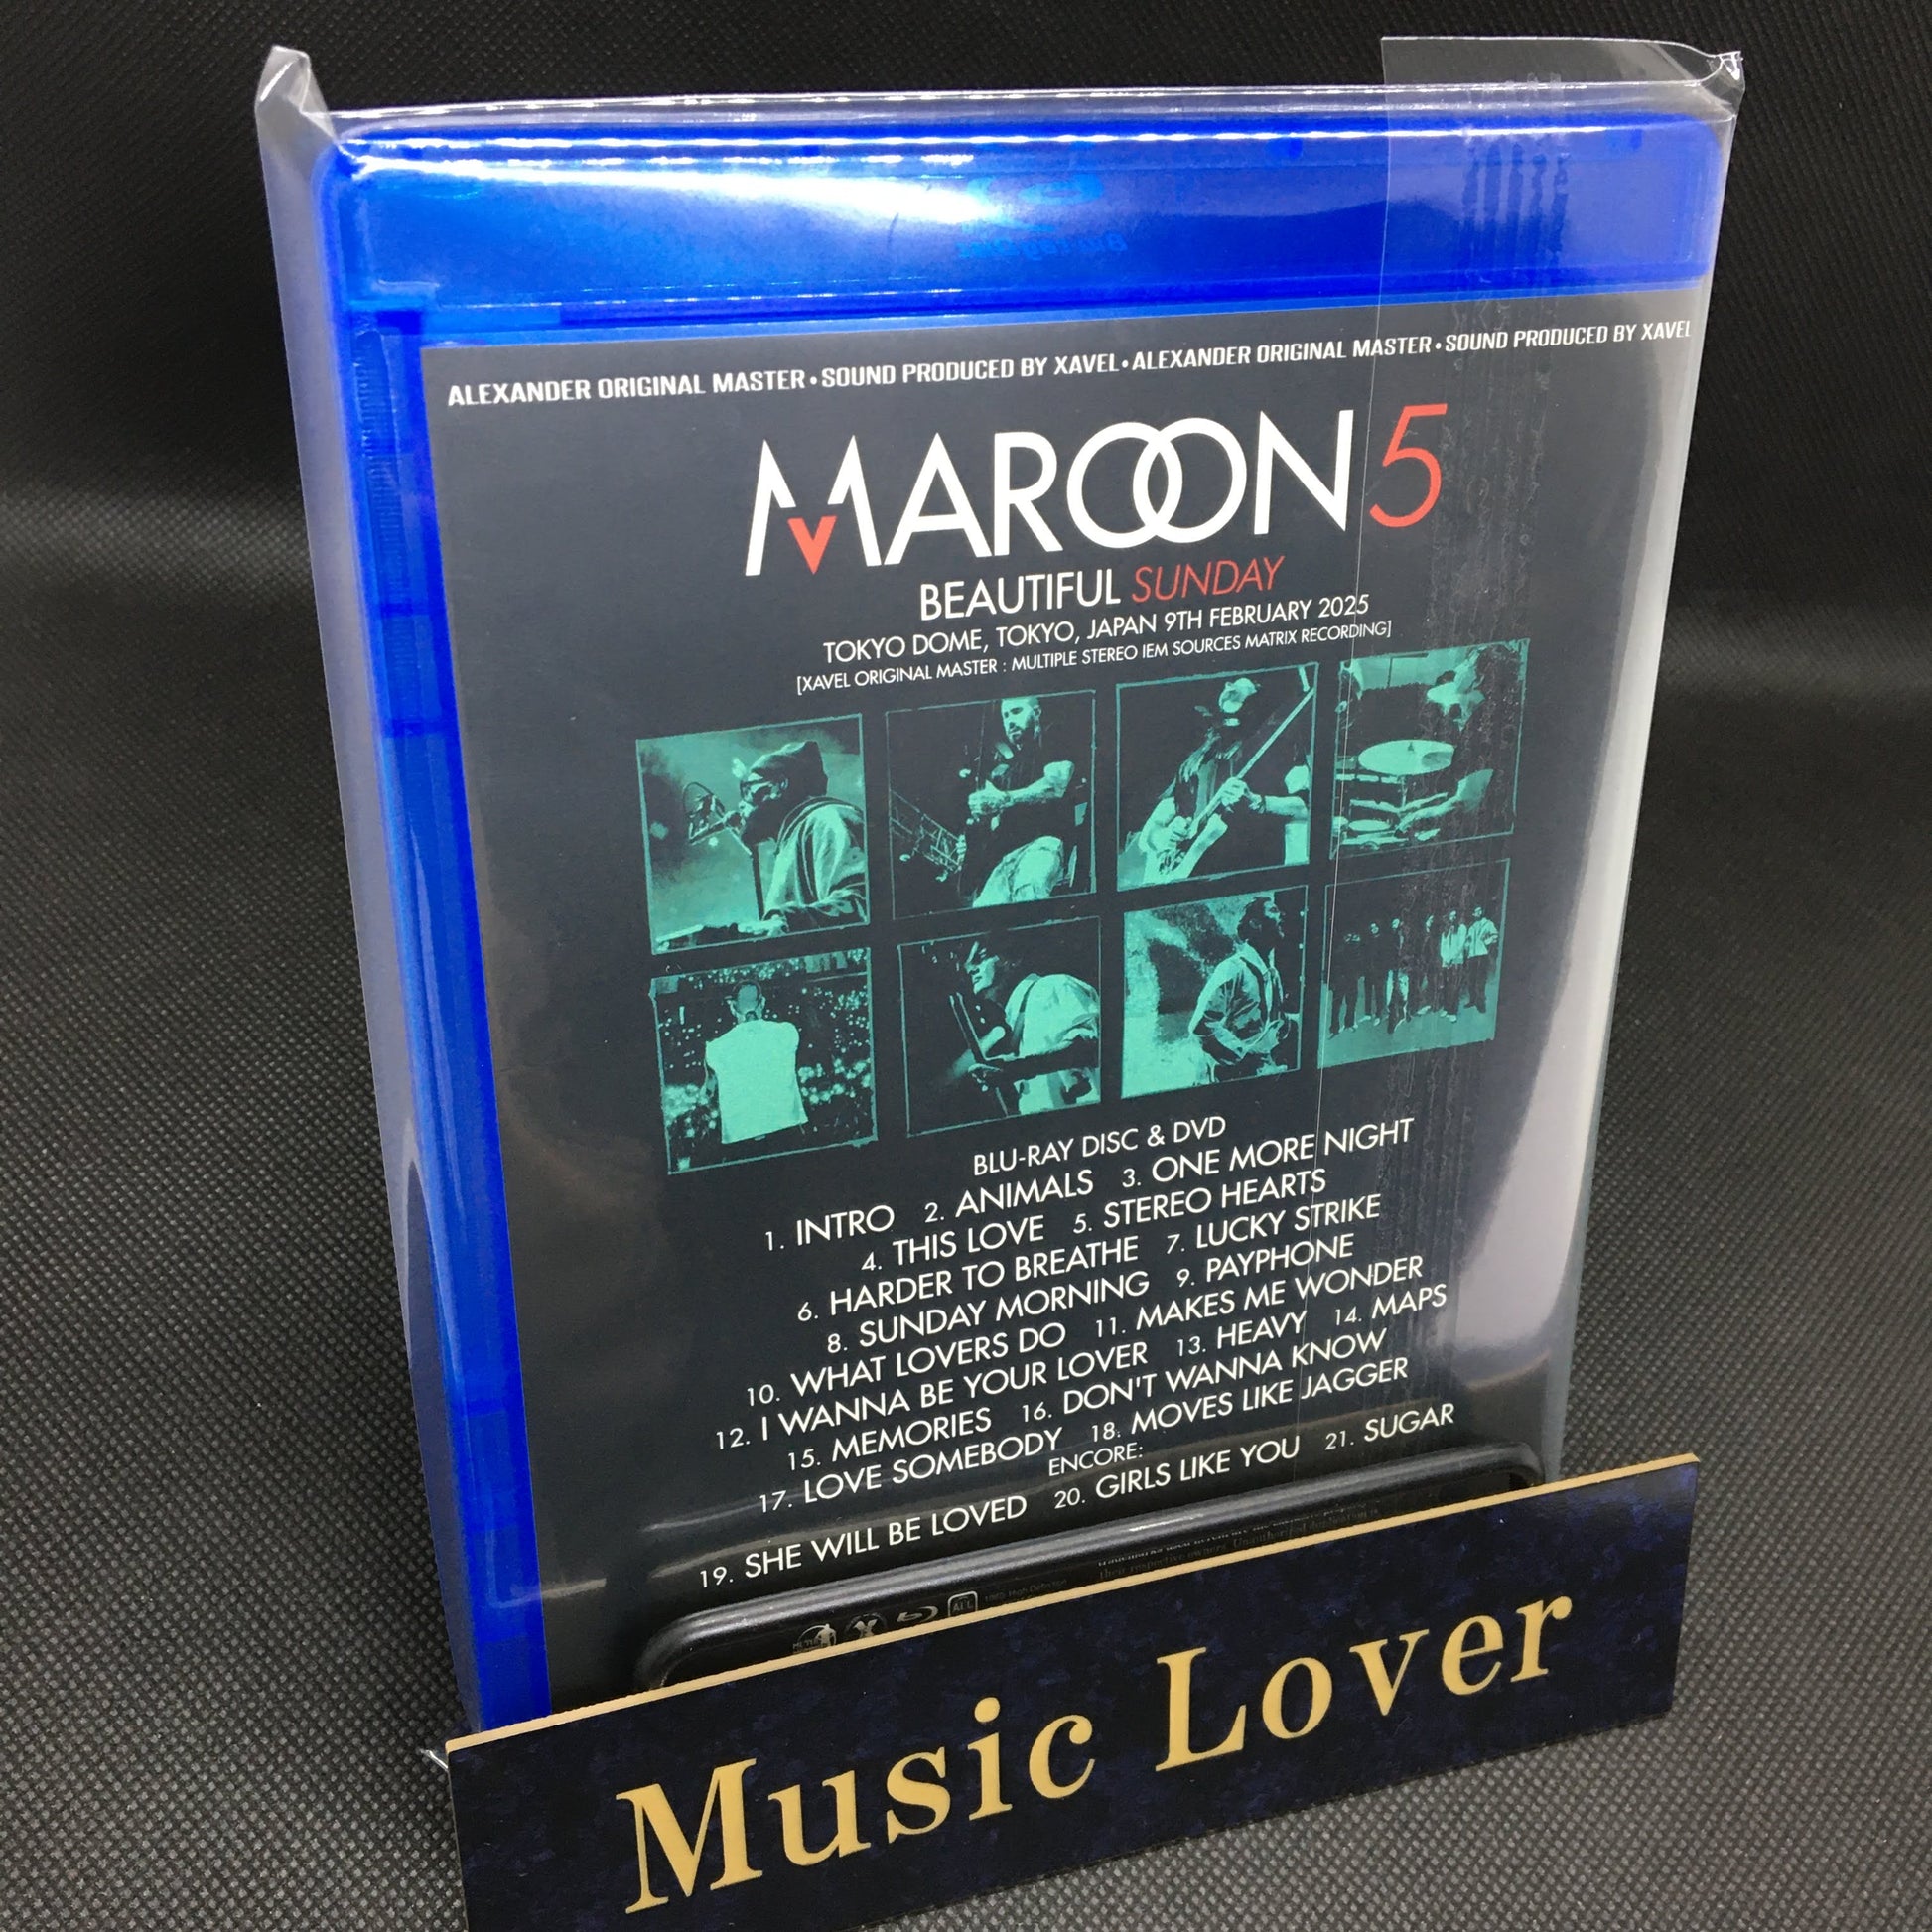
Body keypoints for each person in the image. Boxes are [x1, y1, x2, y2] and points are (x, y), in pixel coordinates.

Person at [1133, 676, 1311, 881]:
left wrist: (1259, 802)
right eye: (1228, 683)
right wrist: (1163, 838)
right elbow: (1156, 823)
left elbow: (1306, 808)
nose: (1230, 687)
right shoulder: (1197, 759)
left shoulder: (1282, 748)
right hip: (1190, 879)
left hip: (1249, 877)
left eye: (1242, 683)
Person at [734, 740, 868, 936]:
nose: (740, 804)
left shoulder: (826, 818)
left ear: (780, 786)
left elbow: (863, 902)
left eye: (747, 790)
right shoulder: (793, 840)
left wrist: (783, 925)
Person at [967, 696, 1083, 905]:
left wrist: (1005, 799)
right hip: (1004, 860)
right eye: (1005, 716)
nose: (1009, 721)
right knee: (982, 916)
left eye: (1016, 711)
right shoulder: (1007, 771)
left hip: (1041, 844)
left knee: (1027, 894)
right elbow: (995, 820)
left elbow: (1057, 784)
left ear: (1036, 712)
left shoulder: (1052, 737)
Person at [960, 939, 1099, 1115]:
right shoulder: (1017, 1018)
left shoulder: (1050, 987)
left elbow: (1090, 1046)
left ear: (1013, 959)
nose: (971, 969)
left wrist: (1014, 1069)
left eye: (980, 958)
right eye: (967, 966)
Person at [1190, 899, 1293, 1082]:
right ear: (1255, 923)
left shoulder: (1272, 974)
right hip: (1226, 1080)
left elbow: (1268, 1025)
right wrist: (1245, 1059)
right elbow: (1201, 1025)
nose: (1282, 915)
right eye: (1273, 910)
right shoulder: (1233, 969)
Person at [701, 983, 808, 1146]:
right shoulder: (787, 1032)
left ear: (732, 1007)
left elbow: (708, 1092)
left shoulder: (715, 1049)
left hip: (741, 1138)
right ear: (762, 1002)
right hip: (788, 1131)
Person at [1462, 904, 1500, 1013]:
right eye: (1476, 912)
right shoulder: (1472, 927)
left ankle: (1481, 1003)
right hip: (1472, 955)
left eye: (1480, 911)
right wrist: (1467, 945)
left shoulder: (1488, 924)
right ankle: (1472, 1000)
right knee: (1471, 979)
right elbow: (1468, 941)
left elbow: (1495, 935)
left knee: (1480, 979)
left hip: (1482, 954)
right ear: (1473, 914)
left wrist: (1487, 941)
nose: (1478, 913)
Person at [1329, 926, 1364, 1035]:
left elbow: (1360, 965)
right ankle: (1337, 1025)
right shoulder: (1341, 949)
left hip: (1349, 978)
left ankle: (1345, 1023)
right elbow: (1334, 965)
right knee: (1340, 1003)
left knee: (1348, 1002)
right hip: (1343, 978)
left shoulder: (1354, 949)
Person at [1438, 908, 1469, 1014]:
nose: (1453, 918)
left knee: (1455, 986)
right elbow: (1443, 946)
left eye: (1455, 916)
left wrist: (1452, 958)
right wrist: (1445, 958)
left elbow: (1461, 945)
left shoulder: (1462, 928)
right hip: (1446, 961)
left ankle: (1453, 1010)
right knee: (1445, 985)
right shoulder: (1446, 930)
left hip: (1456, 961)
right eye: (1451, 916)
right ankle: (1446, 1007)